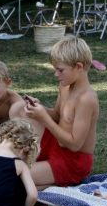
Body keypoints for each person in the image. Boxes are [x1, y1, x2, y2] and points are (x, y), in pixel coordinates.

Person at [10, 34, 99, 188]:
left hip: (73, 161)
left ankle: (48, 182)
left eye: (60, 70)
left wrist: (44, 118)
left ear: (78, 67)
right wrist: (40, 109)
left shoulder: (86, 99)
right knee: (18, 108)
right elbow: (58, 115)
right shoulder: (65, 86)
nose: (56, 74)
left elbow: (74, 145)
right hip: (55, 144)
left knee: (14, 176)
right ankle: (36, 167)